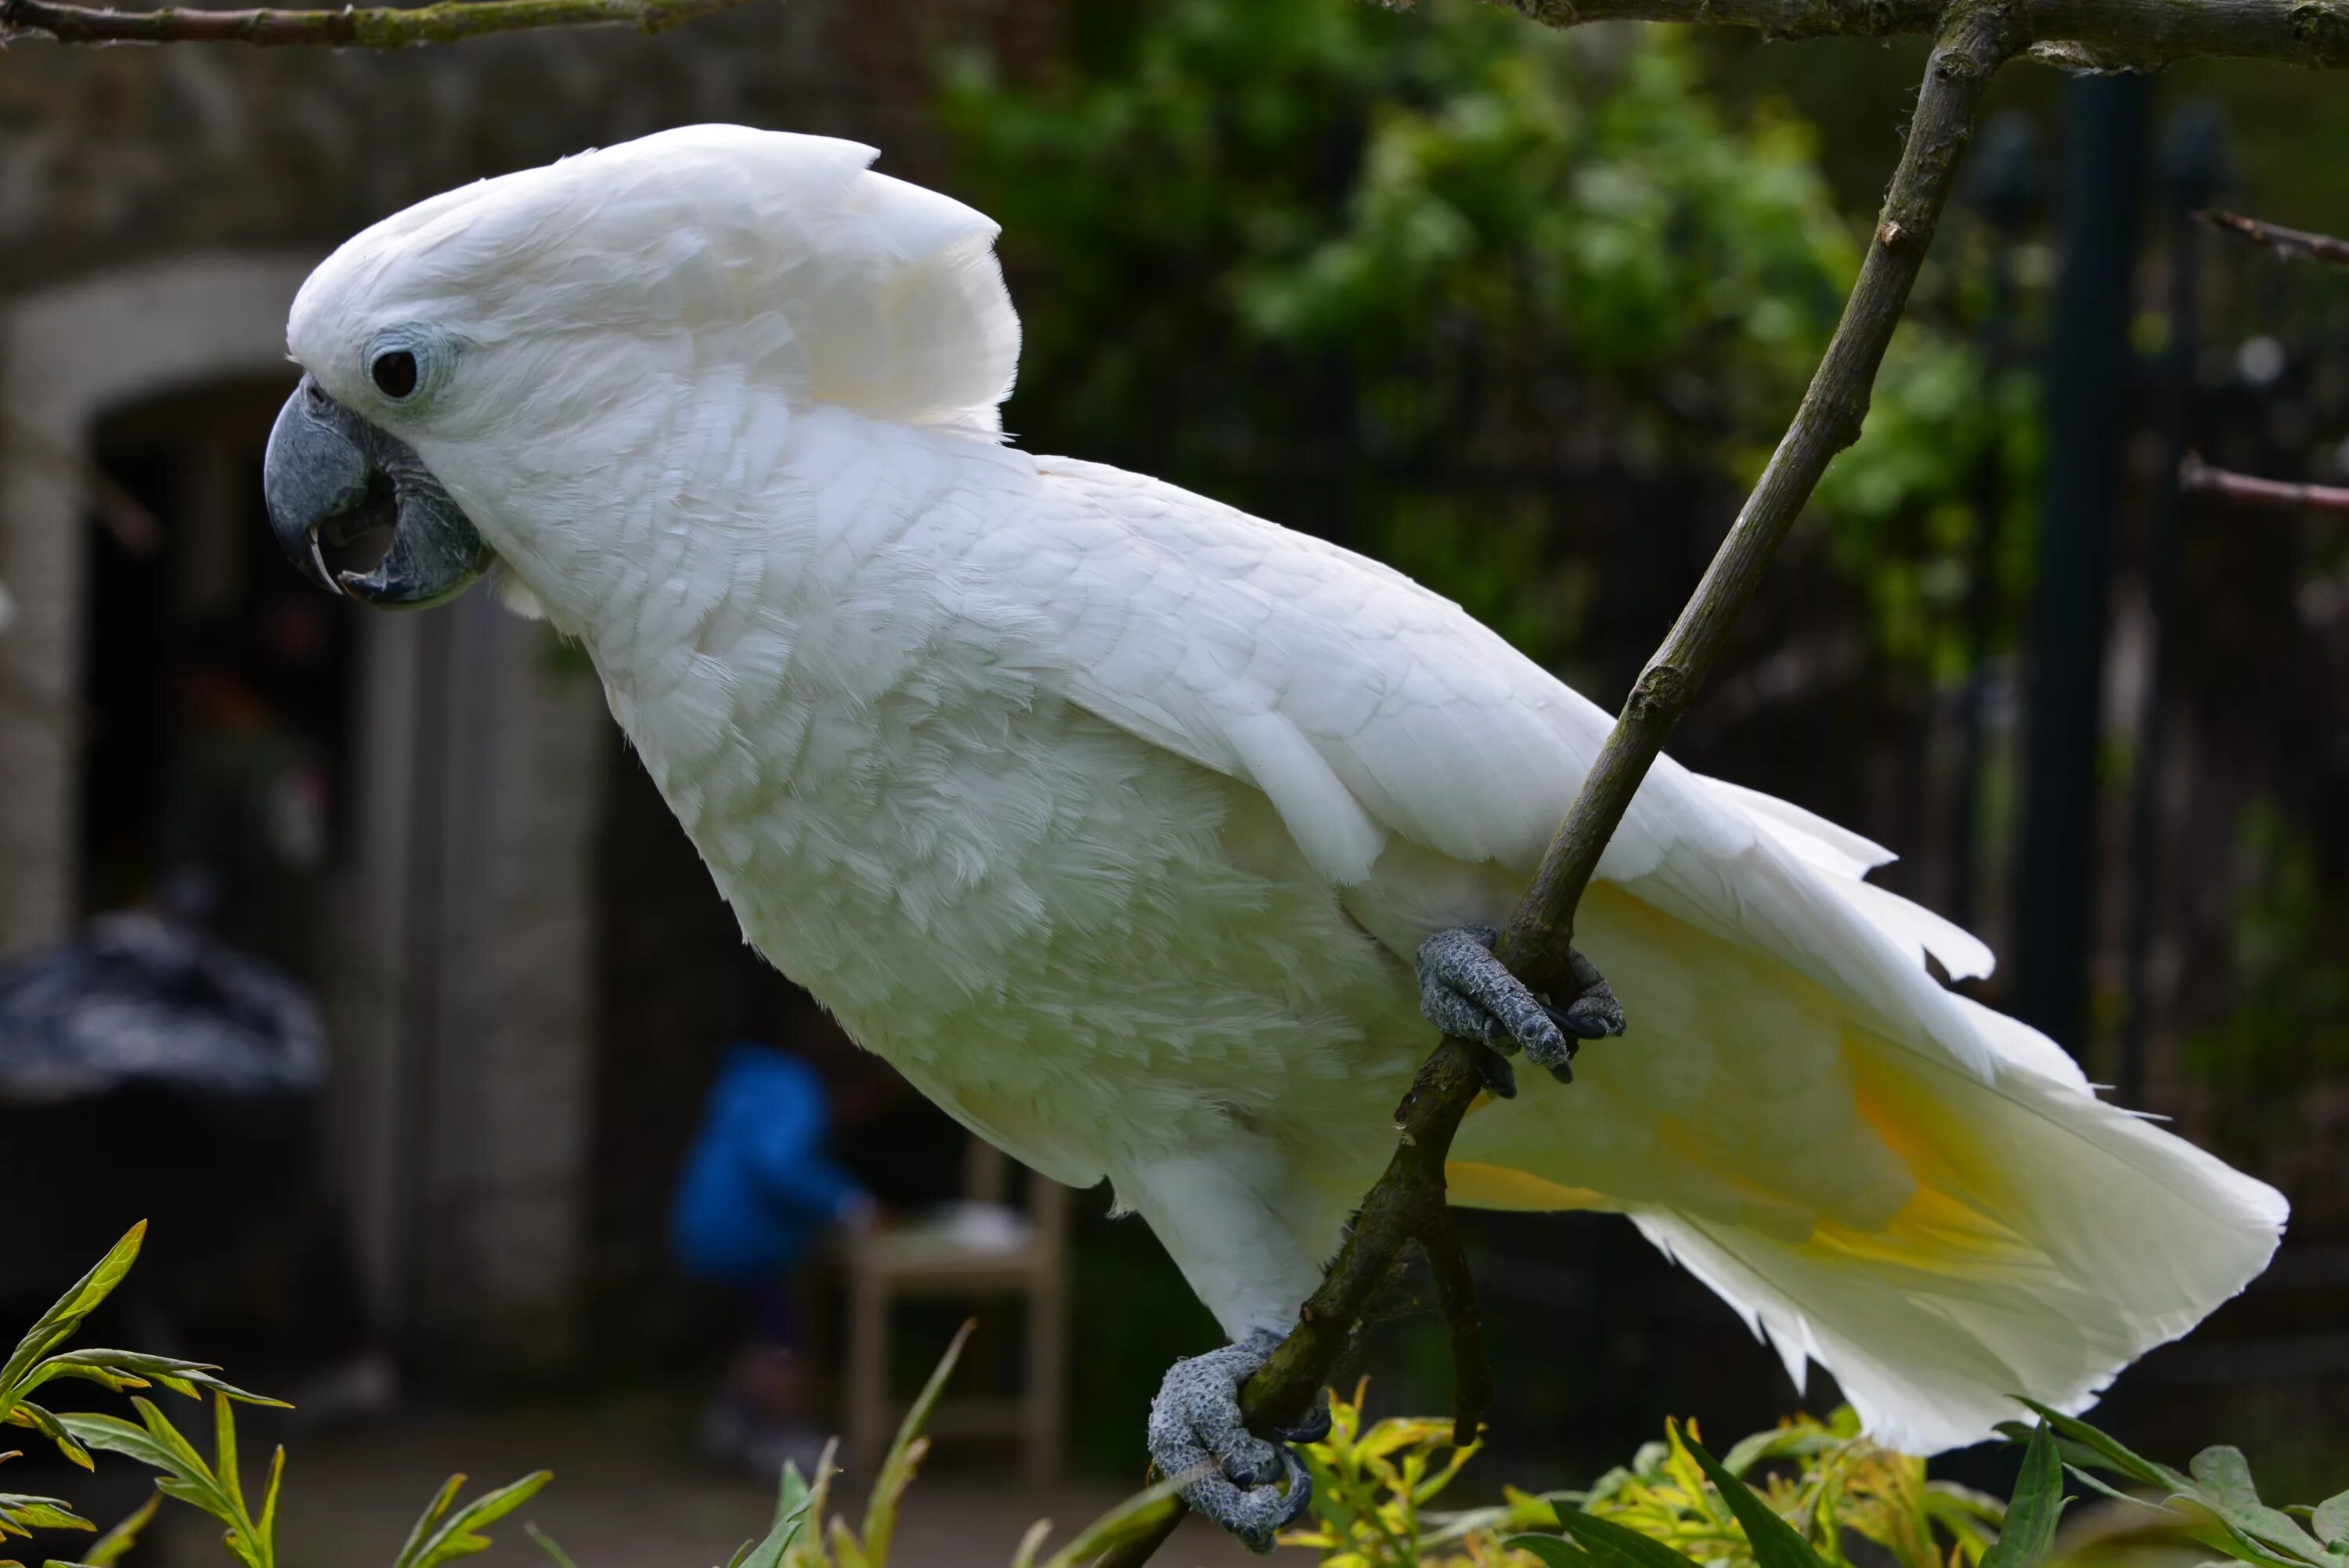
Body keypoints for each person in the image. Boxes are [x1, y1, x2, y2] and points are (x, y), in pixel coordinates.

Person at [670, 1040, 879, 1472]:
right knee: (783, 1339)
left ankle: (731, 1425)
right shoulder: (796, 1091)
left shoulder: (759, 1083)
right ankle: (779, 1437)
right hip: (745, 1235)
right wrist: (846, 1202)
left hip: (712, 1225)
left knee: (759, 1331)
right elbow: (780, 1163)